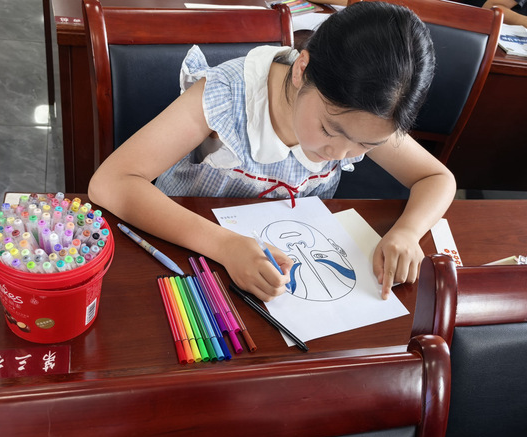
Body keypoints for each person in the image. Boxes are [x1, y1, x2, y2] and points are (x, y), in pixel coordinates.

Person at [88, 1, 456, 303]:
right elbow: (110, 182)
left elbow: (437, 178)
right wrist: (225, 246)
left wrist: (407, 232)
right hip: (188, 257)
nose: (340, 153)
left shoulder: (369, 115)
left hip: (273, 273)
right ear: (301, 70)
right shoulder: (226, 96)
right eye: (330, 130)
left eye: (365, 146)